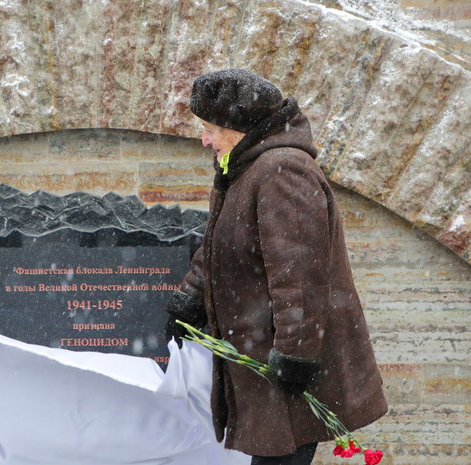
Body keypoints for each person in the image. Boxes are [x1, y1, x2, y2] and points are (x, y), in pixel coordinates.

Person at [165, 69, 387, 465]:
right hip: (266, 353)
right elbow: (219, 241)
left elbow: (300, 276)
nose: (205, 139)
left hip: (286, 362)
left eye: (211, 128)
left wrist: (295, 355)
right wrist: (190, 299)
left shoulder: (282, 173)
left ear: (240, 126)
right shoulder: (246, 167)